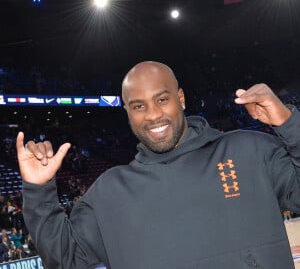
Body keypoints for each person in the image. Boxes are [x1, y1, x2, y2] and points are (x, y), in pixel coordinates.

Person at [16, 61, 300, 269]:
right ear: (127, 112)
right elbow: (65, 257)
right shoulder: (110, 192)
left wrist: (289, 123)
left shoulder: (248, 150)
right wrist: (38, 189)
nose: (153, 116)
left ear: (181, 99)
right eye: (138, 106)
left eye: (162, 100)